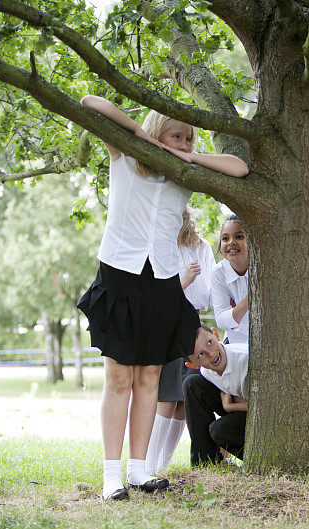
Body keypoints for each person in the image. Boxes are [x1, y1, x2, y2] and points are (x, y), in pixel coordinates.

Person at [77, 95, 248, 501]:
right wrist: (143, 138)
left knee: (150, 377)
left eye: (189, 139)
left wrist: (189, 159)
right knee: (119, 377)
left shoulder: (185, 174)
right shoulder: (124, 157)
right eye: (179, 136)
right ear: (158, 131)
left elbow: (240, 169)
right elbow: (90, 101)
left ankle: (139, 470)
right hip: (120, 275)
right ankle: (111, 475)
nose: (185, 144)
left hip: (163, 284)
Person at [145, 207, 216, 474]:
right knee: (167, 395)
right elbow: (156, 295)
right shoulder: (159, 245)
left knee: (184, 399)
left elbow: (206, 293)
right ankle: (149, 465)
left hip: (192, 324)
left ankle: (162, 465)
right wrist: (183, 281)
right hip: (166, 324)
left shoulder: (202, 247)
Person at [183, 324, 249, 466]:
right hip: (242, 411)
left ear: (215, 334)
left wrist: (230, 406)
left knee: (219, 430)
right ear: (193, 365)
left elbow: (268, 406)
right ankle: (205, 462)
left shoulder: (246, 359)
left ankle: (258, 459)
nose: (211, 354)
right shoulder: (206, 372)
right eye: (200, 355)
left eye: (209, 343)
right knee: (191, 384)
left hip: (263, 418)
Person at [211, 215, 249, 345]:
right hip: (236, 345)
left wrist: (234, 311)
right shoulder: (218, 272)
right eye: (225, 238)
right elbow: (221, 320)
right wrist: (247, 302)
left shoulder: (266, 268)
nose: (231, 242)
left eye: (239, 236)